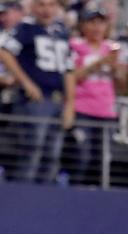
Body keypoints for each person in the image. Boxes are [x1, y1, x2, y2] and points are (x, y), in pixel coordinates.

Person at [0, 0, 75, 183]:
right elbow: (5, 52)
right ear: (33, 7)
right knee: (32, 150)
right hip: (34, 100)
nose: (46, 10)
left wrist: (70, 103)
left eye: (51, 5)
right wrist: (26, 83)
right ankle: (24, 197)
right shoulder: (25, 28)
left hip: (57, 99)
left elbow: (69, 69)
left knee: (52, 155)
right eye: (41, 4)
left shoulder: (61, 31)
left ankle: (44, 199)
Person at [68, 8, 119, 185]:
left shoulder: (111, 49)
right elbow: (72, 76)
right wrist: (99, 63)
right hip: (83, 109)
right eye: (92, 22)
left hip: (107, 112)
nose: (97, 27)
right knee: (82, 158)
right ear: (83, 25)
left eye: (101, 23)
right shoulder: (75, 45)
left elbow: (124, 86)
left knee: (103, 162)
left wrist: (118, 69)